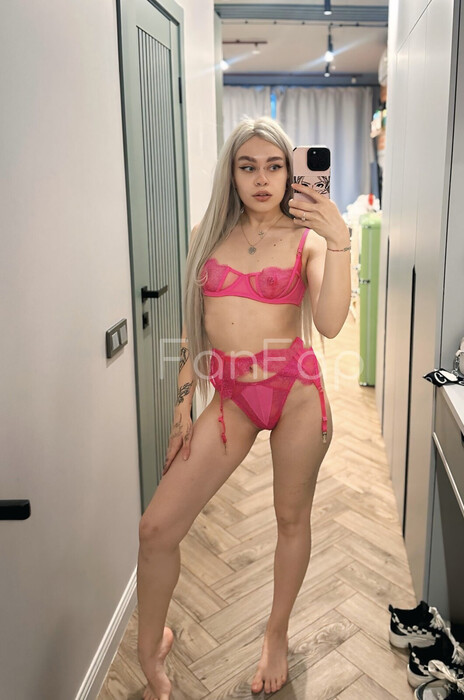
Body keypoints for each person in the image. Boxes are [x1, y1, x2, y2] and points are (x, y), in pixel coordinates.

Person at [136, 116, 351, 700]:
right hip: (231, 395)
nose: (261, 179)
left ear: (289, 172)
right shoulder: (208, 234)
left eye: (274, 166)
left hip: (296, 393)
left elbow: (331, 323)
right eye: (247, 166)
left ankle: (275, 634)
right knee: (156, 528)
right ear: (230, 174)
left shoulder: (307, 239)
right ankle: (150, 650)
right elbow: (190, 327)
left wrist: (339, 240)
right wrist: (182, 405)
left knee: (290, 519)